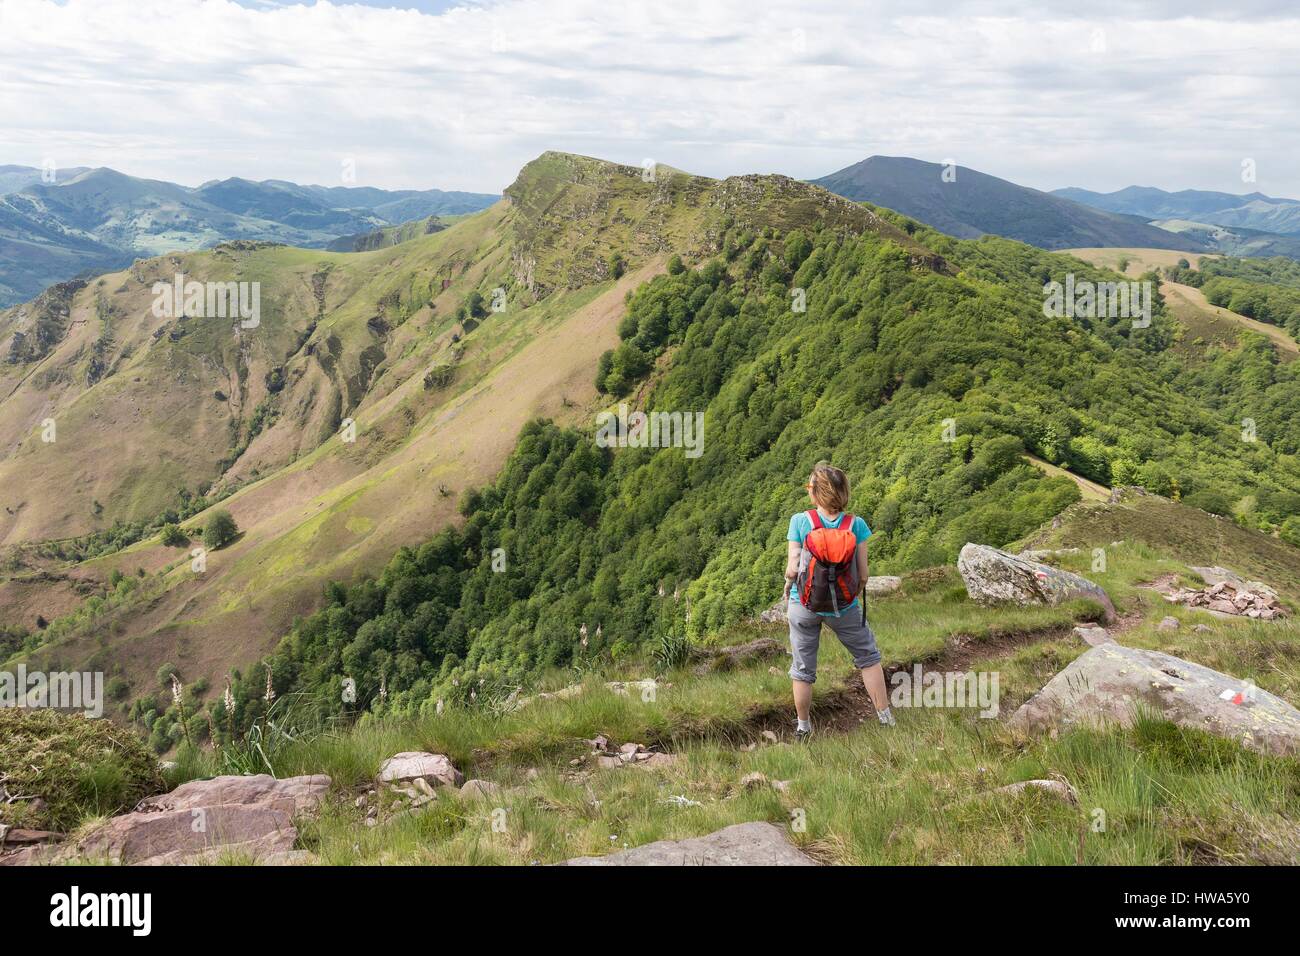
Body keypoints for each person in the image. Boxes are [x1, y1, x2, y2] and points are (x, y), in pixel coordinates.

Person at [782, 461, 893, 740]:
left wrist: (788, 588)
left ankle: (803, 727)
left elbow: (793, 568)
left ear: (815, 494)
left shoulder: (800, 521)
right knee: (868, 657)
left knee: (803, 668)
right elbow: (864, 575)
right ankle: (885, 717)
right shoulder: (857, 525)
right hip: (844, 606)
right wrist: (847, 598)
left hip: (804, 604)